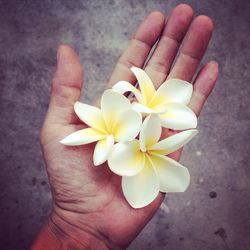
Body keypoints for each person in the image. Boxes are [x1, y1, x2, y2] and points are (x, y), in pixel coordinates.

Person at [31, 4, 218, 250]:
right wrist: (75, 225)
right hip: (127, 135)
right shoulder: (128, 133)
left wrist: (73, 228)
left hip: (138, 138)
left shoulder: (143, 126)